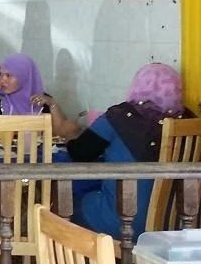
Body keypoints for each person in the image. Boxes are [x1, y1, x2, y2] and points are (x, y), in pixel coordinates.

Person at [62, 63, 187, 240]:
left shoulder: (120, 117)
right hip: (178, 223)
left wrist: (69, 134)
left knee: (65, 203)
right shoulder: (187, 121)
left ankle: (69, 258)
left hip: (124, 222)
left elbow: (79, 153)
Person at [0, 53, 82, 140]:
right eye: (1, 74)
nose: (2, 80)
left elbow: (60, 133)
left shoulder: (41, 100)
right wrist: (17, 131)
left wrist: (52, 104)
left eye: (8, 75)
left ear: (24, 76)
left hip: (39, 157)